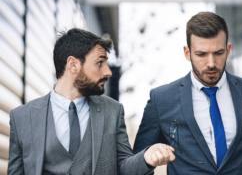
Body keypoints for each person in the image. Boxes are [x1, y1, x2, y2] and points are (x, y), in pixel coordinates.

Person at [133, 12, 242, 175]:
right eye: (201, 54)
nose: (211, 63)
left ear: (228, 50)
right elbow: (136, 165)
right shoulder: (161, 99)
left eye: (218, 53)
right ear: (187, 53)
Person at [8, 28, 175, 175]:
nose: (108, 72)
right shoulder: (21, 117)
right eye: (100, 63)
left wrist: (145, 158)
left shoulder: (113, 111)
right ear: (73, 65)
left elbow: (124, 167)